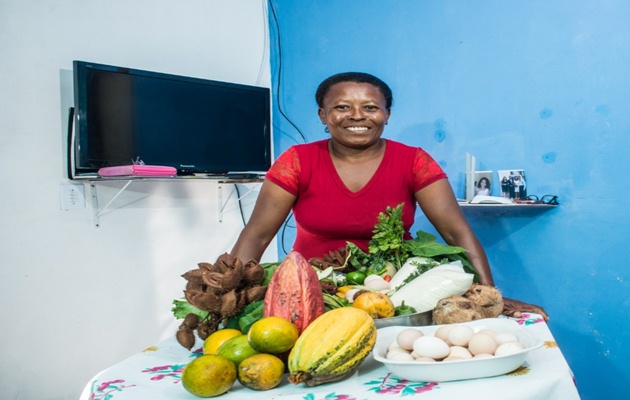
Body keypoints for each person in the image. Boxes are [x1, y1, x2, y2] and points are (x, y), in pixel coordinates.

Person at [230, 72, 549, 320]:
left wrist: (487, 294)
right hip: (313, 290)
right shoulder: (297, 160)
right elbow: (257, 234)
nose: (357, 116)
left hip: (397, 294)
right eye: (342, 107)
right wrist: (227, 297)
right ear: (322, 115)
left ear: (387, 114)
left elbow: (455, 231)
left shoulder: (414, 161)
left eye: (370, 107)